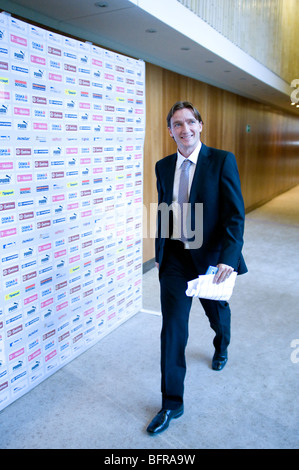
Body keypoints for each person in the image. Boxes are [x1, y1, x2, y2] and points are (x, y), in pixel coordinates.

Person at [146, 101, 247, 434]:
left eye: (190, 122)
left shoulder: (221, 160)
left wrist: (228, 258)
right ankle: (172, 403)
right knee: (173, 329)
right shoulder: (162, 166)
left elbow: (234, 214)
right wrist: (159, 251)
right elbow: (162, 209)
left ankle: (222, 343)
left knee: (215, 313)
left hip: (210, 259)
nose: (184, 129)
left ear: (200, 125)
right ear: (170, 130)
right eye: (177, 124)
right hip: (175, 257)